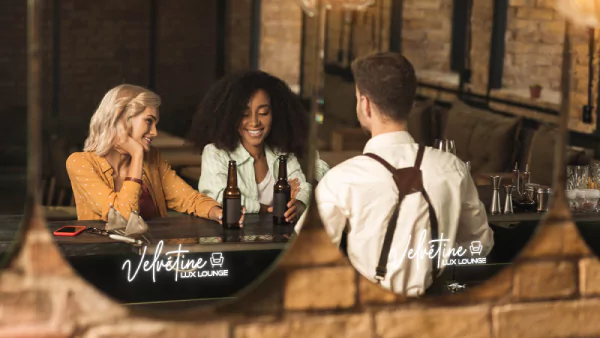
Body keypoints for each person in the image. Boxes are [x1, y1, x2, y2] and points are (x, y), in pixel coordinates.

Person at [315, 52, 494, 297]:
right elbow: (479, 246)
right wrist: (427, 258)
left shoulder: (340, 180)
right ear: (410, 104)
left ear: (365, 105)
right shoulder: (452, 168)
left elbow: (315, 257)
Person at [66, 84, 244, 225]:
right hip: (103, 258)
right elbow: (123, 217)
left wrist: (217, 213)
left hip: (152, 256)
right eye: (149, 122)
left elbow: (189, 199)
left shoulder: (153, 159)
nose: (154, 132)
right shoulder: (80, 163)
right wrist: (136, 154)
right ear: (121, 120)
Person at [188, 70, 329, 224]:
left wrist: (299, 203)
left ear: (275, 114)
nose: (254, 122)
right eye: (244, 114)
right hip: (231, 241)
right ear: (230, 117)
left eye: (263, 112)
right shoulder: (216, 153)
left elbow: (302, 187)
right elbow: (217, 198)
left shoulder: (282, 153)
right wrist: (264, 208)